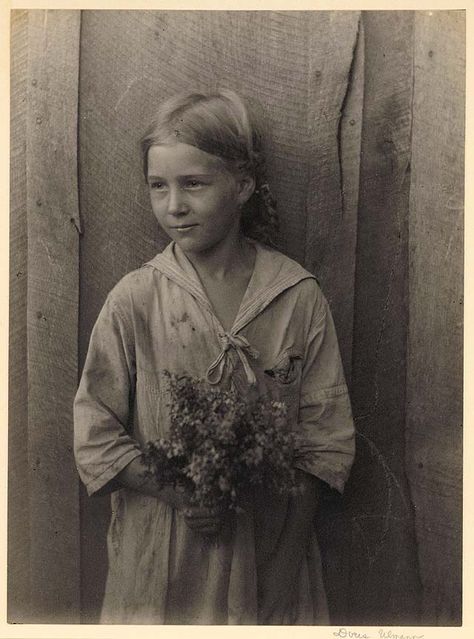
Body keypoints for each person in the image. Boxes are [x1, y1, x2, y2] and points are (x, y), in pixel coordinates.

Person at [74, 89, 355, 625]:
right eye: (159, 186)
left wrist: (285, 564)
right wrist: (179, 491)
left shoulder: (296, 297)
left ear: (243, 184)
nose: (174, 205)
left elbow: (325, 440)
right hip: (164, 556)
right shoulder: (137, 299)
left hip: (269, 550)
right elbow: (94, 433)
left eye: (194, 184)